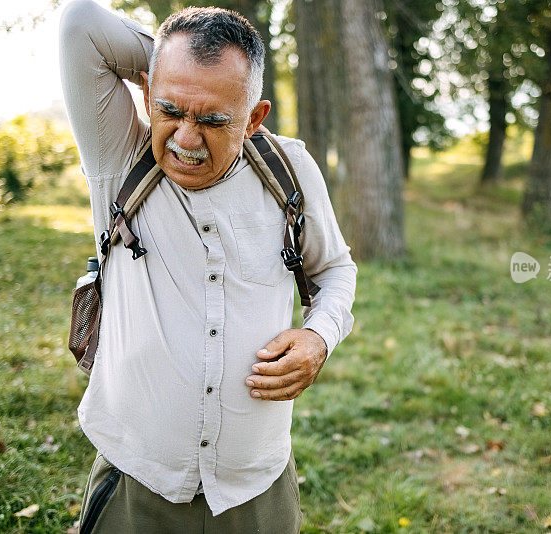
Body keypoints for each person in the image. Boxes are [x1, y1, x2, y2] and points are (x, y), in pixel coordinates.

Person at [58, 1, 357, 532]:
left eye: (215, 119)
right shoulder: (118, 158)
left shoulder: (291, 169)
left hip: (256, 486)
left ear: (254, 117)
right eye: (169, 109)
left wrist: (320, 337)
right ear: (147, 94)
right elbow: (81, 23)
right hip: (137, 484)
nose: (186, 139)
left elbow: (334, 271)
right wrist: (186, 60)